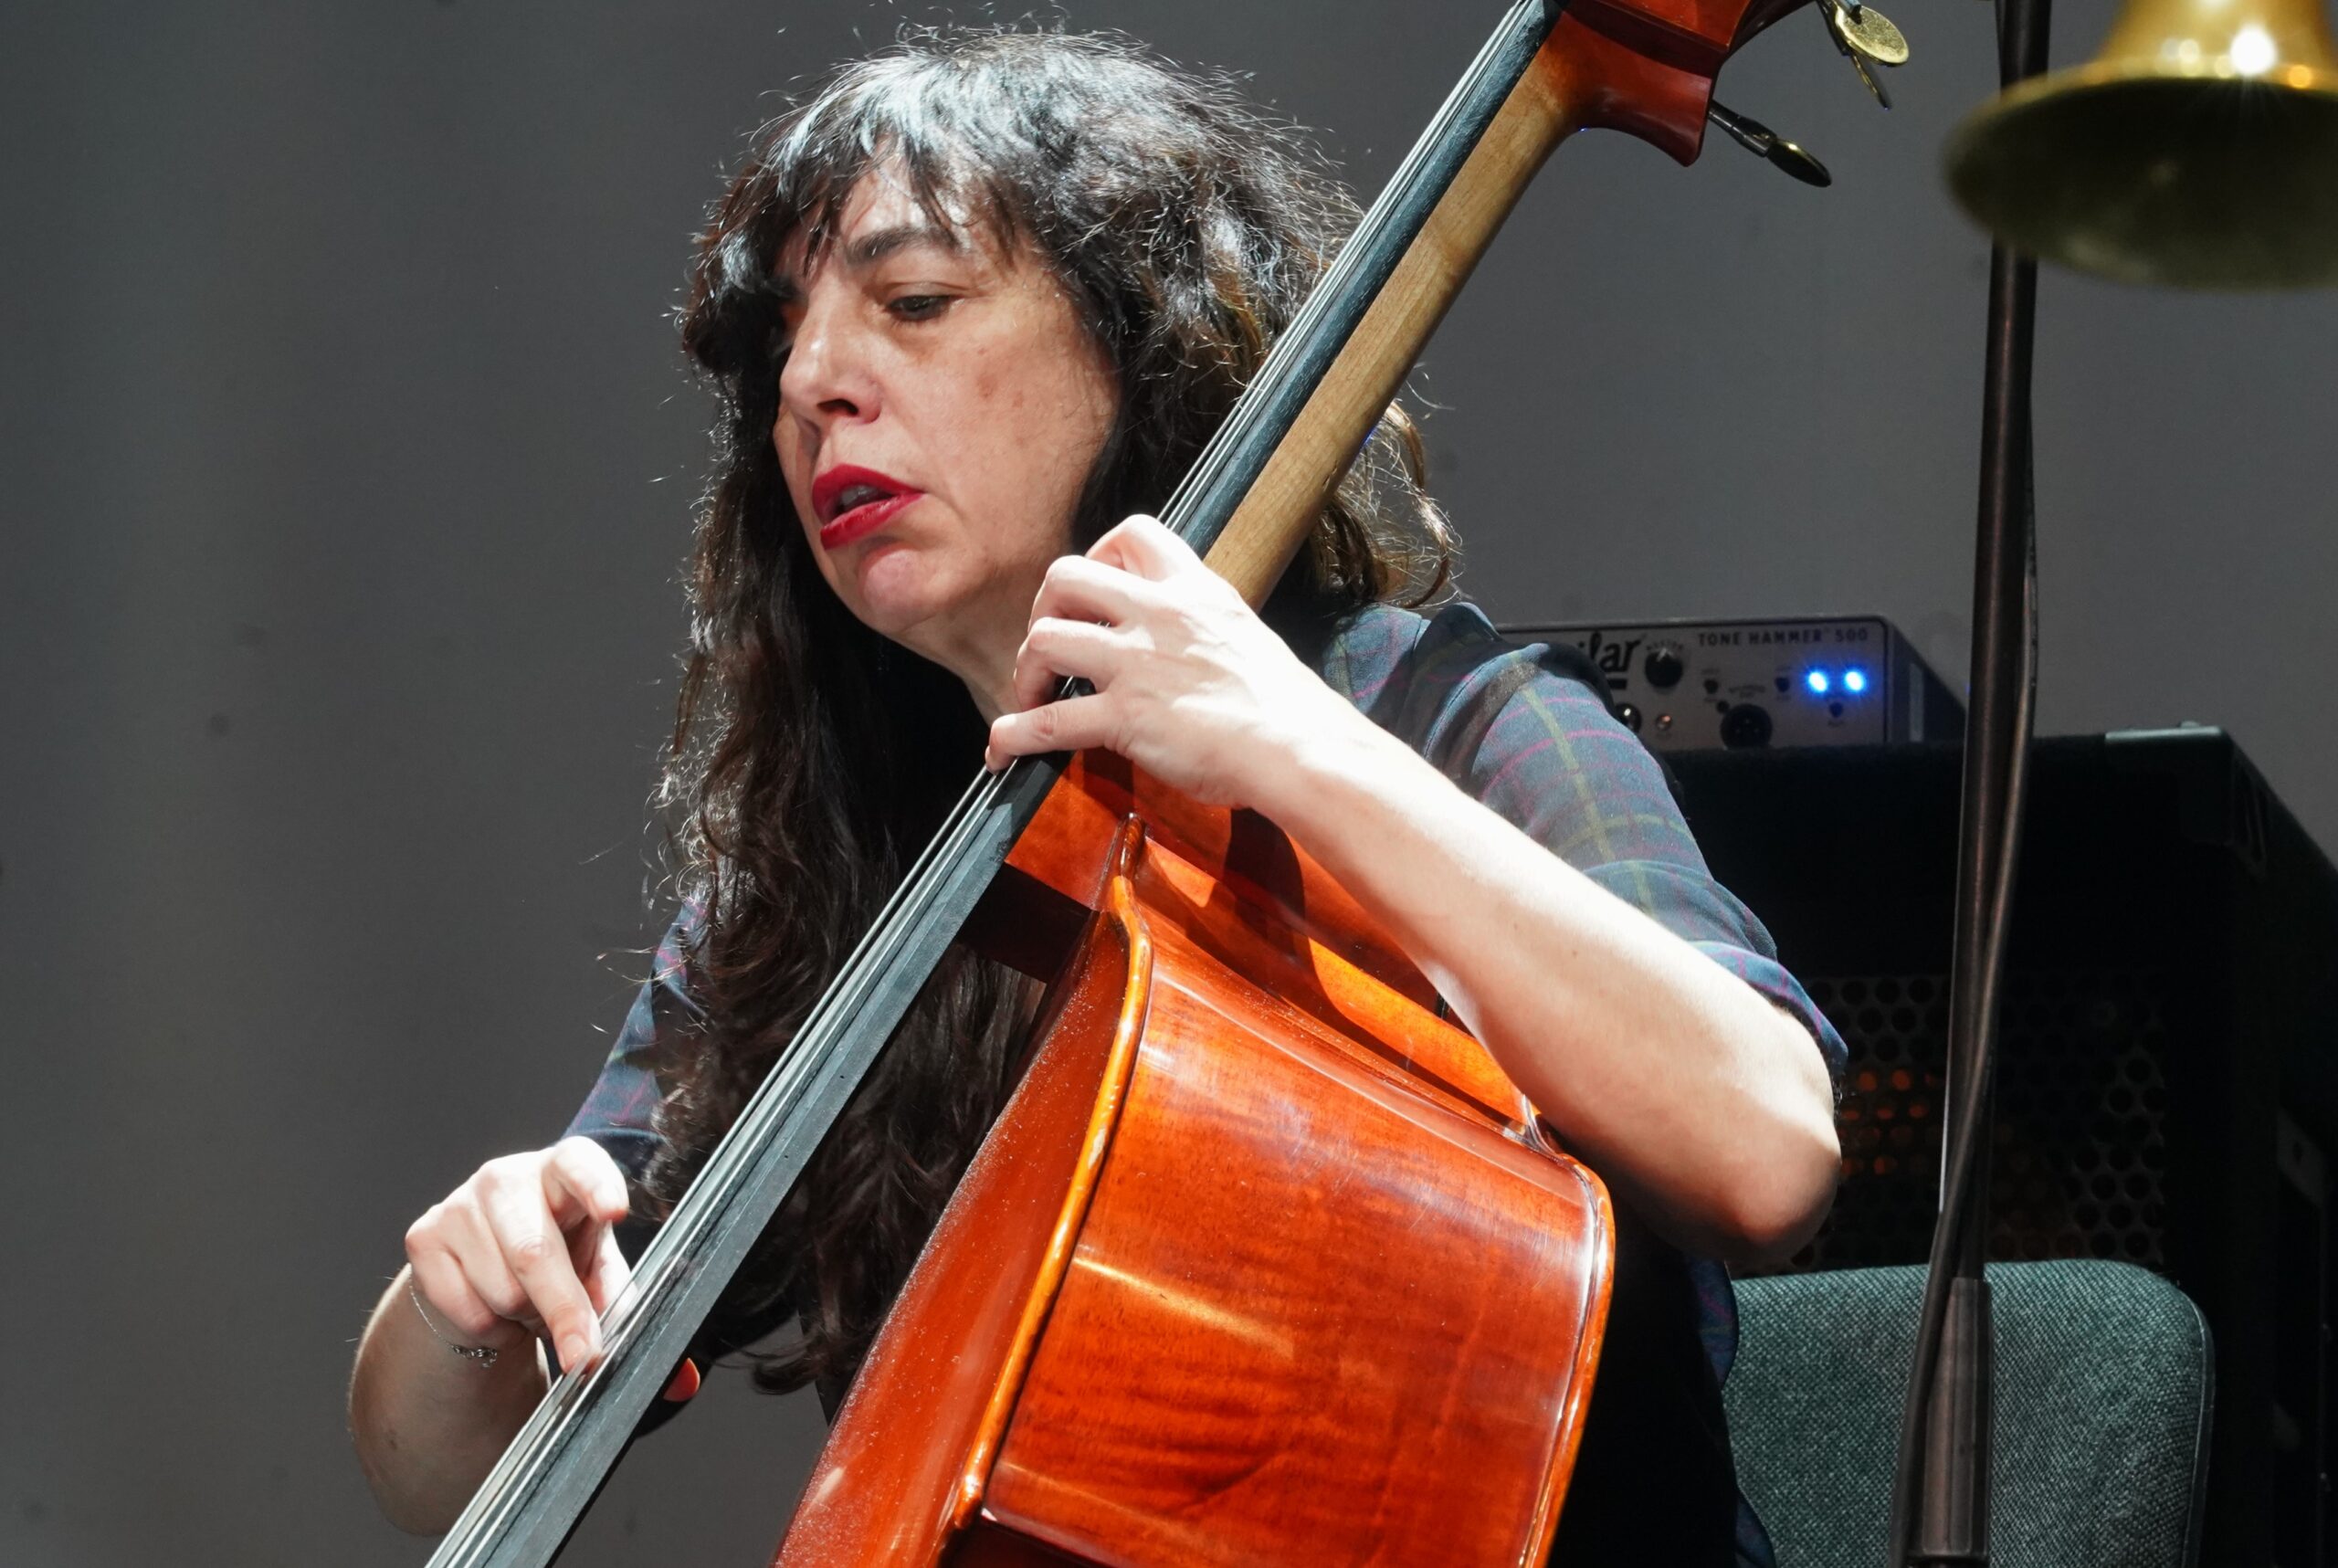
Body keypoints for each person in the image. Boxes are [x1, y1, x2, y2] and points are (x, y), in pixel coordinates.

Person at [347, 28, 1843, 1566]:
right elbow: (434, 1470)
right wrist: (471, 1296)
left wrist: (1294, 747)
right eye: (784, 341)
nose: (810, 382)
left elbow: (1766, 1146)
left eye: (912, 303)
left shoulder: (1438, 718)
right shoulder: (835, 885)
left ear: (1136, 338)